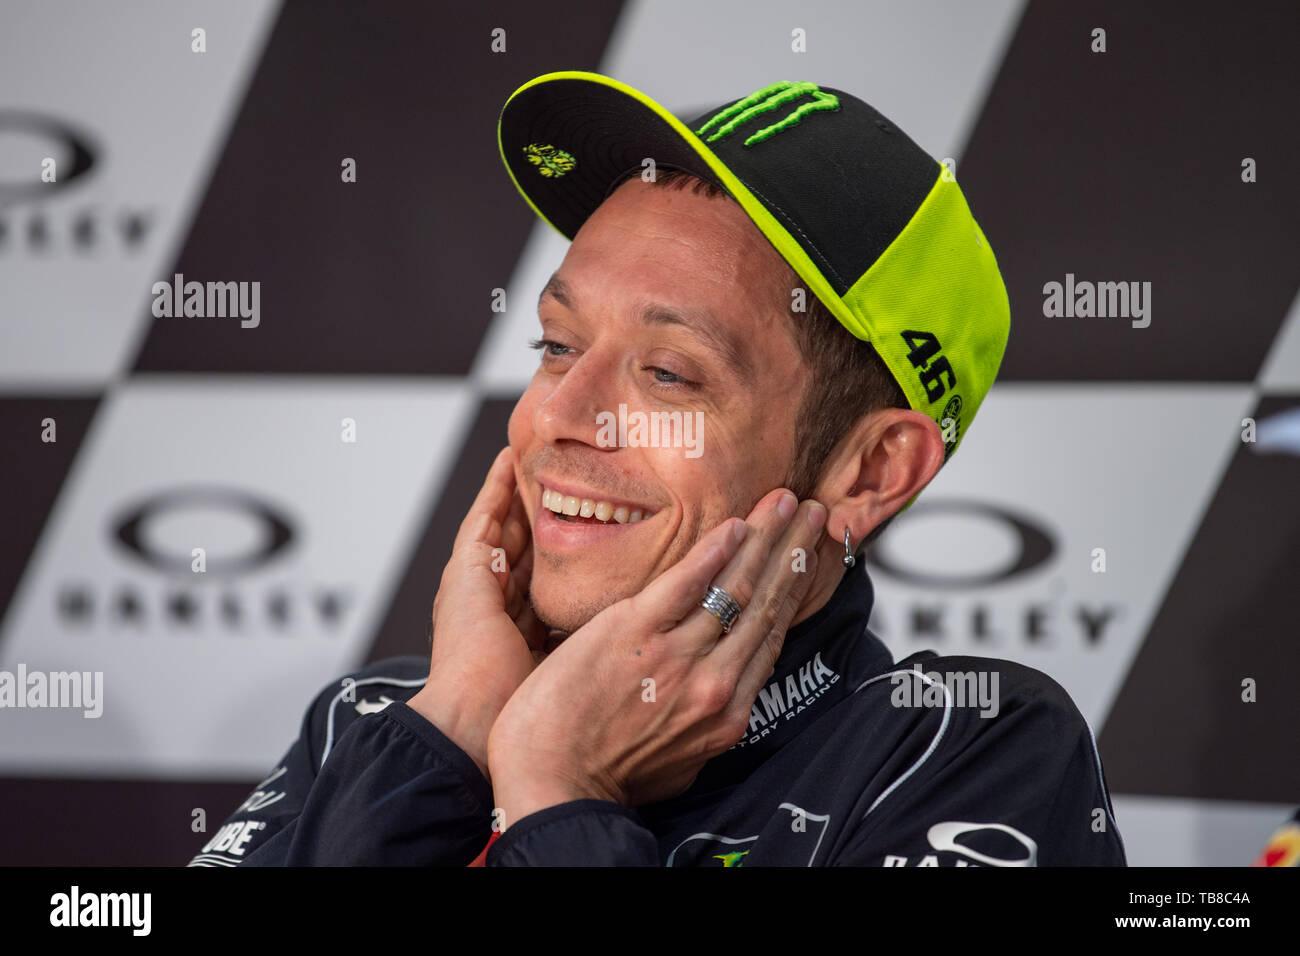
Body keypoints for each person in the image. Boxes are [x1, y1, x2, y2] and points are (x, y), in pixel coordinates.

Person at [188, 72, 1125, 867]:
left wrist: (561, 788)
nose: (554, 415)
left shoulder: (970, 749)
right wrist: (450, 736)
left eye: (669, 374)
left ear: (870, 471)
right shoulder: (380, 719)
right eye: (557, 344)